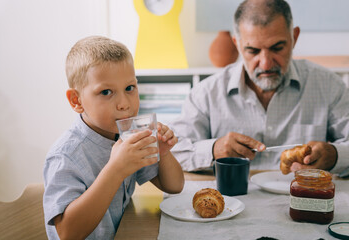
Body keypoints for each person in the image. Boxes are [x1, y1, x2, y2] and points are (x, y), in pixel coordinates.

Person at [169, 0, 349, 175]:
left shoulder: (328, 85)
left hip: (304, 200)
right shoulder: (206, 93)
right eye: (253, 51)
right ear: (237, 44)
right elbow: (172, 152)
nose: (266, 64)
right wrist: (213, 149)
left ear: (294, 37)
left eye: (277, 48)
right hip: (231, 203)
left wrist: (335, 156)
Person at [43, 36, 184, 239]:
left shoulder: (128, 137)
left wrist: (164, 153)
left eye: (129, 88)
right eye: (106, 92)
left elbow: (174, 186)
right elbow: (67, 233)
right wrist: (116, 169)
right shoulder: (65, 156)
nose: (124, 104)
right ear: (76, 100)